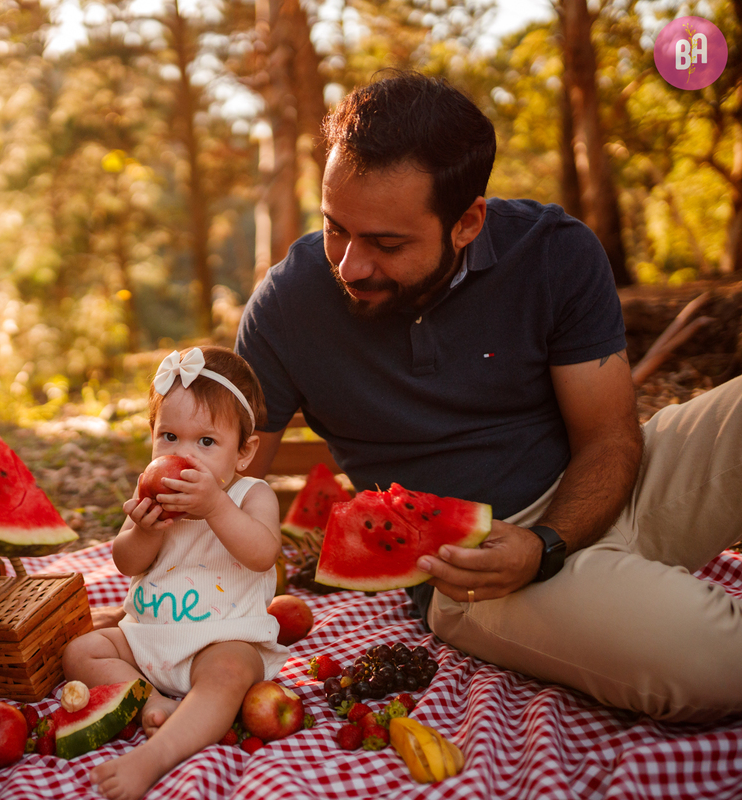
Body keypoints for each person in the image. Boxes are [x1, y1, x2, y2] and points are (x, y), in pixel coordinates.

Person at [236, 70, 742, 723]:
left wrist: (548, 542)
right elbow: (231, 485)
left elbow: (612, 441)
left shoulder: (555, 252)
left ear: (467, 221)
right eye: (336, 228)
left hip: (611, 489)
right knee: (711, 662)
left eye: (387, 243)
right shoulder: (286, 306)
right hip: (465, 573)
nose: (350, 265)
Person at [62, 346, 287, 800]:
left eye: (206, 442)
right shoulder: (152, 491)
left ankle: (155, 757)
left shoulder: (250, 495)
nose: (184, 455)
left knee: (228, 674)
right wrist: (144, 531)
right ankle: (150, 701)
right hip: (147, 638)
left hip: (223, 640)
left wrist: (216, 506)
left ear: (243, 452)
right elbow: (126, 562)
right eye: (169, 437)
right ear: (152, 435)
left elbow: (263, 554)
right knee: (82, 651)